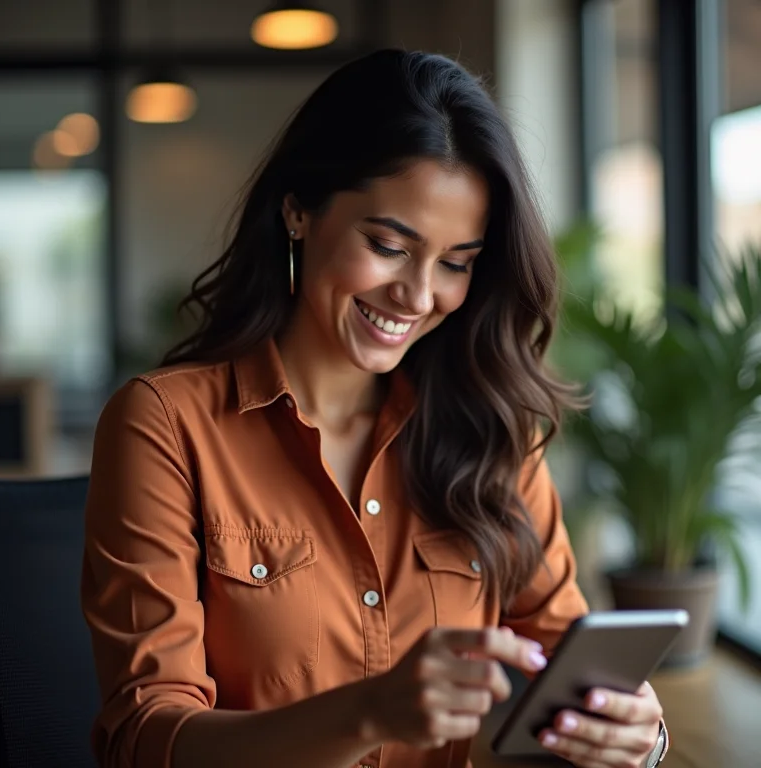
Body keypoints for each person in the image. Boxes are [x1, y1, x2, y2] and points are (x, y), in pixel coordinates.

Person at [81, 49, 667, 768]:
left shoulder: (493, 432)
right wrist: (367, 711)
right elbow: (147, 741)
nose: (420, 296)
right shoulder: (165, 426)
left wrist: (633, 734)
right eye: (389, 245)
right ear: (298, 210)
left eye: (456, 262)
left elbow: (568, 668)